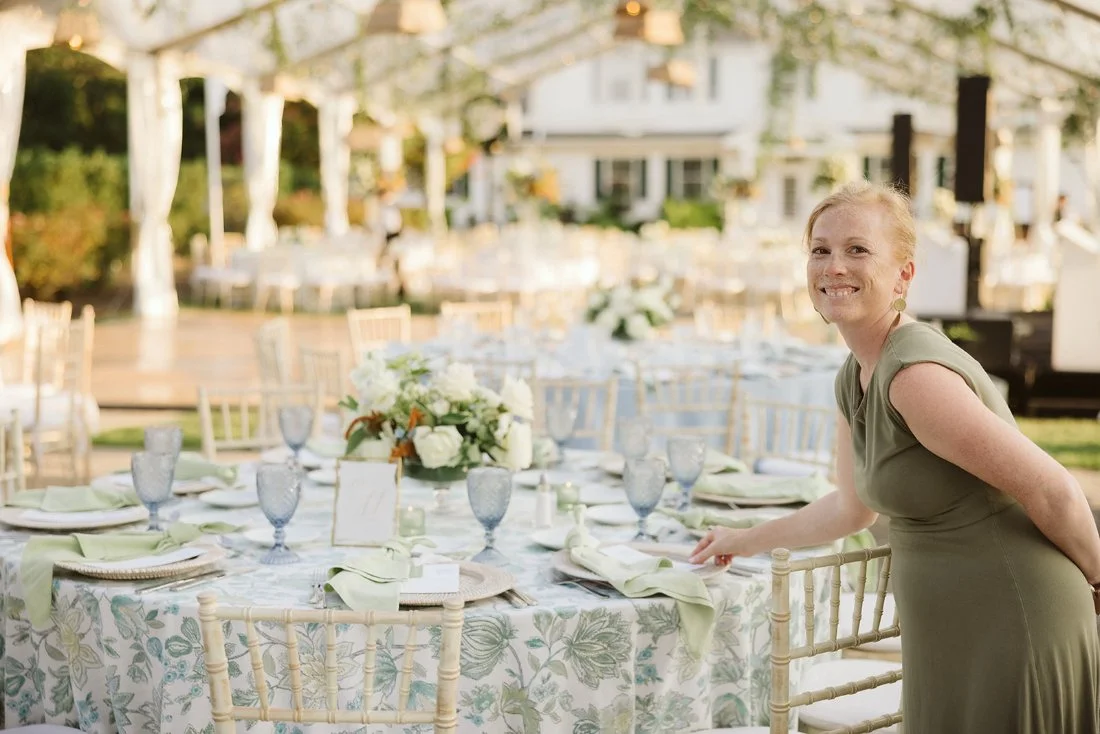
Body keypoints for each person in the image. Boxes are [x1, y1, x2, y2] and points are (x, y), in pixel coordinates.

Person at [690, 180, 1100, 733]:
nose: (834, 266)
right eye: (821, 250)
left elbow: (1051, 488)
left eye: (858, 250)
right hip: (949, 631)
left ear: (903, 275)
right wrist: (742, 540)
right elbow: (849, 511)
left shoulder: (914, 378)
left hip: (1013, 619)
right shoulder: (854, 374)